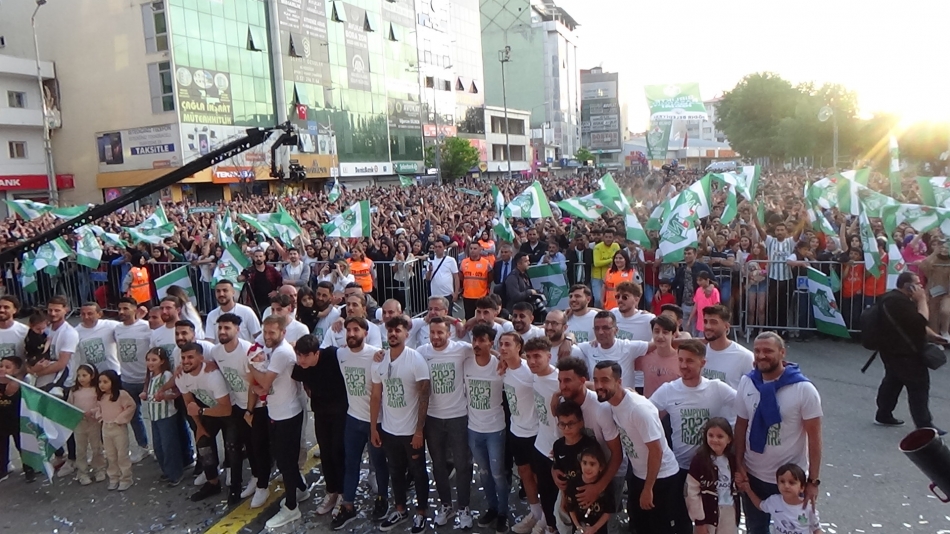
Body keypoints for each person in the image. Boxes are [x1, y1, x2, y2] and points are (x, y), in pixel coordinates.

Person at [734, 333, 823, 534]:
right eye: (757, 351)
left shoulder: (804, 389)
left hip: (789, 479)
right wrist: (739, 463)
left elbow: (815, 438)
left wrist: (813, 482)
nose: (761, 355)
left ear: (782, 353)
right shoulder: (747, 382)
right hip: (754, 475)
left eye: (768, 351)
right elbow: (741, 426)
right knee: (756, 529)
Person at [649, 340, 737, 534]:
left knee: (714, 520)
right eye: (680, 360)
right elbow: (646, 413)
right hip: (681, 468)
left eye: (689, 361)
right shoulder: (668, 390)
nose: (683, 365)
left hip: (711, 469)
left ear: (702, 363)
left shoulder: (717, 388)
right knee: (682, 519)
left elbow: (745, 405)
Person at [593, 360, 682, 534]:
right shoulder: (614, 402)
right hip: (638, 475)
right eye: (596, 380)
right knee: (640, 527)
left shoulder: (638, 409)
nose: (598, 386)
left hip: (661, 478)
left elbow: (656, 451)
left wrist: (648, 489)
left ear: (619, 382)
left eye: (604, 380)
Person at [321, 319, 390, 529]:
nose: (351, 333)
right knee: (351, 463)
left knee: (379, 464)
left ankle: (383, 499)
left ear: (365, 333)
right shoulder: (340, 354)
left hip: (376, 420)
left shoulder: (377, 355)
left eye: (356, 330)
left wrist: (375, 426)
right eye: (348, 330)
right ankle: (348, 506)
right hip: (353, 419)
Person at [247, 316, 311, 529]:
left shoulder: (282, 352)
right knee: (283, 459)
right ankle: (301, 489)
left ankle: (292, 507)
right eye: (265, 332)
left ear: (283, 333)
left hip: (288, 415)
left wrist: (250, 366)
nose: (267, 336)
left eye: (272, 332)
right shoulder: (271, 351)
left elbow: (264, 383)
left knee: (286, 463)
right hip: (276, 412)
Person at [370, 316, 431, 534]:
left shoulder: (415, 359)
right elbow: (376, 396)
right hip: (389, 429)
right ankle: (400, 509)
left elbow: (424, 396)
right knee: (395, 472)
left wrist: (419, 431)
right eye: (390, 331)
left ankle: (421, 513)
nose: (393, 334)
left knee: (418, 472)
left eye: (398, 330)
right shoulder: (379, 360)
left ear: (406, 333)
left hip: (411, 431)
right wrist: (373, 428)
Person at [417, 317, 474, 528]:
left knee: (462, 464)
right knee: (438, 464)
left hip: (458, 416)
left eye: (440, 332)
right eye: (432, 332)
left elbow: (485, 350)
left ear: (449, 334)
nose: (436, 337)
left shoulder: (461, 349)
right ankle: (446, 505)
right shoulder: (422, 352)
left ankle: (464, 507)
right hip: (432, 418)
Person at [873, 271, 949, 430]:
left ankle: (884, 414)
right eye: (917, 284)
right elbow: (920, 320)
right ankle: (924, 424)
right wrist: (922, 301)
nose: (921, 287)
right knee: (919, 387)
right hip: (905, 353)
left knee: (893, 382)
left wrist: (933, 336)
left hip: (892, 351)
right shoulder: (898, 302)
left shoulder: (892, 299)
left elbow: (911, 323)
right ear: (908, 286)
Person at [210, 313, 271, 508]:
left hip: (256, 407)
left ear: (237, 329)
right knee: (249, 446)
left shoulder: (248, 351)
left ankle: (263, 485)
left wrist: (250, 411)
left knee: (260, 447)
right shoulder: (216, 351)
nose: (222, 331)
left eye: (227, 328)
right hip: (238, 405)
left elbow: (254, 383)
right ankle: (256, 477)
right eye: (220, 327)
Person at [177, 342, 237, 503]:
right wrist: (199, 426)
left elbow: (226, 409)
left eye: (190, 357)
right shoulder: (181, 376)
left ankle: (235, 485)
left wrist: (201, 411)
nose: (186, 361)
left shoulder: (212, 376)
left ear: (201, 358)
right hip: (209, 410)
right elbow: (189, 403)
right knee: (203, 443)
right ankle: (213, 482)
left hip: (231, 411)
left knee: (232, 446)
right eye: (183, 357)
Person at [497, 332, 544, 534]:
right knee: (524, 473)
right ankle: (535, 513)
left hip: (536, 432)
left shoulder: (530, 371)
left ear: (519, 347)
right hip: (516, 430)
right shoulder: (503, 368)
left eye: (508, 344)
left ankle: (547, 518)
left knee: (540, 476)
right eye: (501, 344)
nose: (503, 348)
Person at [464, 325, 508, 532]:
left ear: (491, 343)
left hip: (495, 429)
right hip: (473, 429)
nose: (476, 344)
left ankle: (503, 512)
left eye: (482, 340)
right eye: (474, 339)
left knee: (498, 473)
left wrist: (501, 356)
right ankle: (492, 507)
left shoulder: (500, 365)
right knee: (483, 472)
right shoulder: (465, 362)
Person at [525, 337, 562, 534]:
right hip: (541, 444)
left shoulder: (559, 381)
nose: (532, 361)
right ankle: (548, 525)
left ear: (549, 356)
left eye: (537, 356)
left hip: (558, 448)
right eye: (529, 356)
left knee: (560, 497)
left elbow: (584, 386)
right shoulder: (534, 375)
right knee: (545, 493)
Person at [113, 297, 155, 464]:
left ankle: (160, 448)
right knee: (134, 416)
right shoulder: (116, 329)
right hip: (127, 380)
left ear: (135, 309)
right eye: (119, 309)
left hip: (147, 379)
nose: (121, 312)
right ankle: (143, 446)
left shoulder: (146, 327)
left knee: (155, 416)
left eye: (125, 308)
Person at [686, 418, 740, 534]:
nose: (715, 440)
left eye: (720, 436)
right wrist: (699, 521)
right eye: (711, 435)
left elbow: (738, 487)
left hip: (729, 512)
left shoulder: (733, 460)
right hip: (707, 515)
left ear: (729, 439)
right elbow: (691, 492)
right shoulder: (699, 460)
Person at [738, 463, 822, 534]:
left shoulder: (808, 508)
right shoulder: (774, 501)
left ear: (802, 488)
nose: (786, 486)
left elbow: (817, 529)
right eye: (782, 481)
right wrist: (748, 490)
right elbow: (760, 505)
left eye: (792, 483)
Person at [143, 347, 184, 487]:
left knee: (169, 446)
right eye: (148, 360)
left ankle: (175, 473)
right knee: (158, 446)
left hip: (166, 416)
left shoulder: (166, 375)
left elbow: (176, 393)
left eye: (154, 360)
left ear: (162, 361)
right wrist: (145, 394)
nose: (150, 363)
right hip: (154, 416)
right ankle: (167, 470)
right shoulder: (150, 376)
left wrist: (165, 396)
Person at [578, 311, 650, 390]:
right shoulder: (589, 347)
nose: (600, 332)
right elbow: (570, 345)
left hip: (623, 397)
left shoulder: (627, 347)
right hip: (598, 396)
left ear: (616, 330)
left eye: (605, 328)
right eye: (597, 328)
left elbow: (656, 344)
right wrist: (570, 337)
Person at [611, 281, 655, 393]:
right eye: (617, 296)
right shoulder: (613, 314)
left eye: (625, 297)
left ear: (636, 300)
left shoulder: (648, 319)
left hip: (640, 380)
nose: (620, 300)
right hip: (616, 379)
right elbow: (595, 313)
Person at [96, 370, 136, 491]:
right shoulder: (101, 396)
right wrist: (100, 417)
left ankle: (126, 478)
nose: (102, 385)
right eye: (100, 382)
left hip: (118, 428)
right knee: (110, 455)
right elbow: (98, 408)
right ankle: (114, 478)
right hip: (106, 428)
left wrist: (120, 419)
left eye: (105, 382)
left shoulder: (121, 395)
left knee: (122, 454)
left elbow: (131, 406)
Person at [67, 363, 105, 485]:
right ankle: (82, 472)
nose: (81, 378)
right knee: (81, 449)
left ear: (92, 376)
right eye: (79, 376)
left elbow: (102, 405)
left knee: (96, 447)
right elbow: (69, 406)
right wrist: (75, 415)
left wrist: (93, 412)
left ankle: (99, 469)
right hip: (79, 423)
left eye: (84, 375)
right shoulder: (74, 391)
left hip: (94, 423)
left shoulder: (97, 390)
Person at [701, 305, 755, 390]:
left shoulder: (745, 356)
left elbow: (752, 390)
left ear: (726, 326)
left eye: (713, 322)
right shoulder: (698, 352)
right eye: (705, 322)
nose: (708, 326)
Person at [0, 356, 35, 482]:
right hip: (1, 423)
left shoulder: (20, 385)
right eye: (1, 366)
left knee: (22, 446)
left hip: (17, 422)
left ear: (15, 371)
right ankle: (2, 471)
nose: (3, 369)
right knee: (1, 448)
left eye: (7, 367)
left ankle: (29, 470)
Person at [566, 447, 615, 534]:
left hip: (599, 529)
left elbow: (608, 511)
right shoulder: (573, 483)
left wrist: (594, 528)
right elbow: (571, 508)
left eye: (592, 464)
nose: (587, 467)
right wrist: (578, 526)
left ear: (601, 467)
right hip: (579, 528)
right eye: (584, 463)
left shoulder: (606, 486)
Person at [636, 315, 681, 398]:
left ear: (673, 335)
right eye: (656, 331)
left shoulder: (681, 359)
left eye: (665, 332)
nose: (660, 336)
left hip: (672, 405)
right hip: (648, 405)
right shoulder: (645, 356)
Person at [240, 250, 283, 316]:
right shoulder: (250, 270)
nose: (258, 258)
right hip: (255, 302)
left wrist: (276, 291)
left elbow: (280, 281)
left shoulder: (271, 269)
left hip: (270, 301)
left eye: (260, 256)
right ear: (253, 257)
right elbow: (239, 278)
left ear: (264, 257)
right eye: (256, 256)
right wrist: (244, 276)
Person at [460, 242, 494, 320]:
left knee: (482, 318)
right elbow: (461, 276)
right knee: (469, 318)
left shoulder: (486, 263)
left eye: (475, 248)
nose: (472, 250)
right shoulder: (464, 262)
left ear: (480, 250)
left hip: (481, 296)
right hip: (467, 295)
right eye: (471, 248)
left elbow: (490, 277)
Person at [427, 239, 460, 311]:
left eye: (439, 247)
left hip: (447, 294)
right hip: (435, 294)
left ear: (444, 248)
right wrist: (429, 270)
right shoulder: (430, 260)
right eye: (435, 247)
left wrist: (456, 293)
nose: (437, 249)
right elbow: (427, 278)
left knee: (447, 314)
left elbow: (456, 277)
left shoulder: (451, 260)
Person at [592, 229, 620, 308]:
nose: (608, 239)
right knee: (598, 299)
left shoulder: (616, 246)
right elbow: (596, 263)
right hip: (597, 277)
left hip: (612, 276)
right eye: (606, 237)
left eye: (610, 237)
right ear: (603, 237)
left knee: (612, 298)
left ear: (613, 238)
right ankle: (597, 313)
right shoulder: (597, 247)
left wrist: (605, 261)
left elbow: (619, 259)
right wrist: (611, 260)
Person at [688, 273, 720, 337]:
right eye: (697, 280)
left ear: (707, 280)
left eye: (700, 280)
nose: (698, 282)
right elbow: (696, 305)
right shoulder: (698, 290)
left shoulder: (714, 291)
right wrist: (689, 319)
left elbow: (717, 306)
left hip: (710, 322)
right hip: (700, 323)